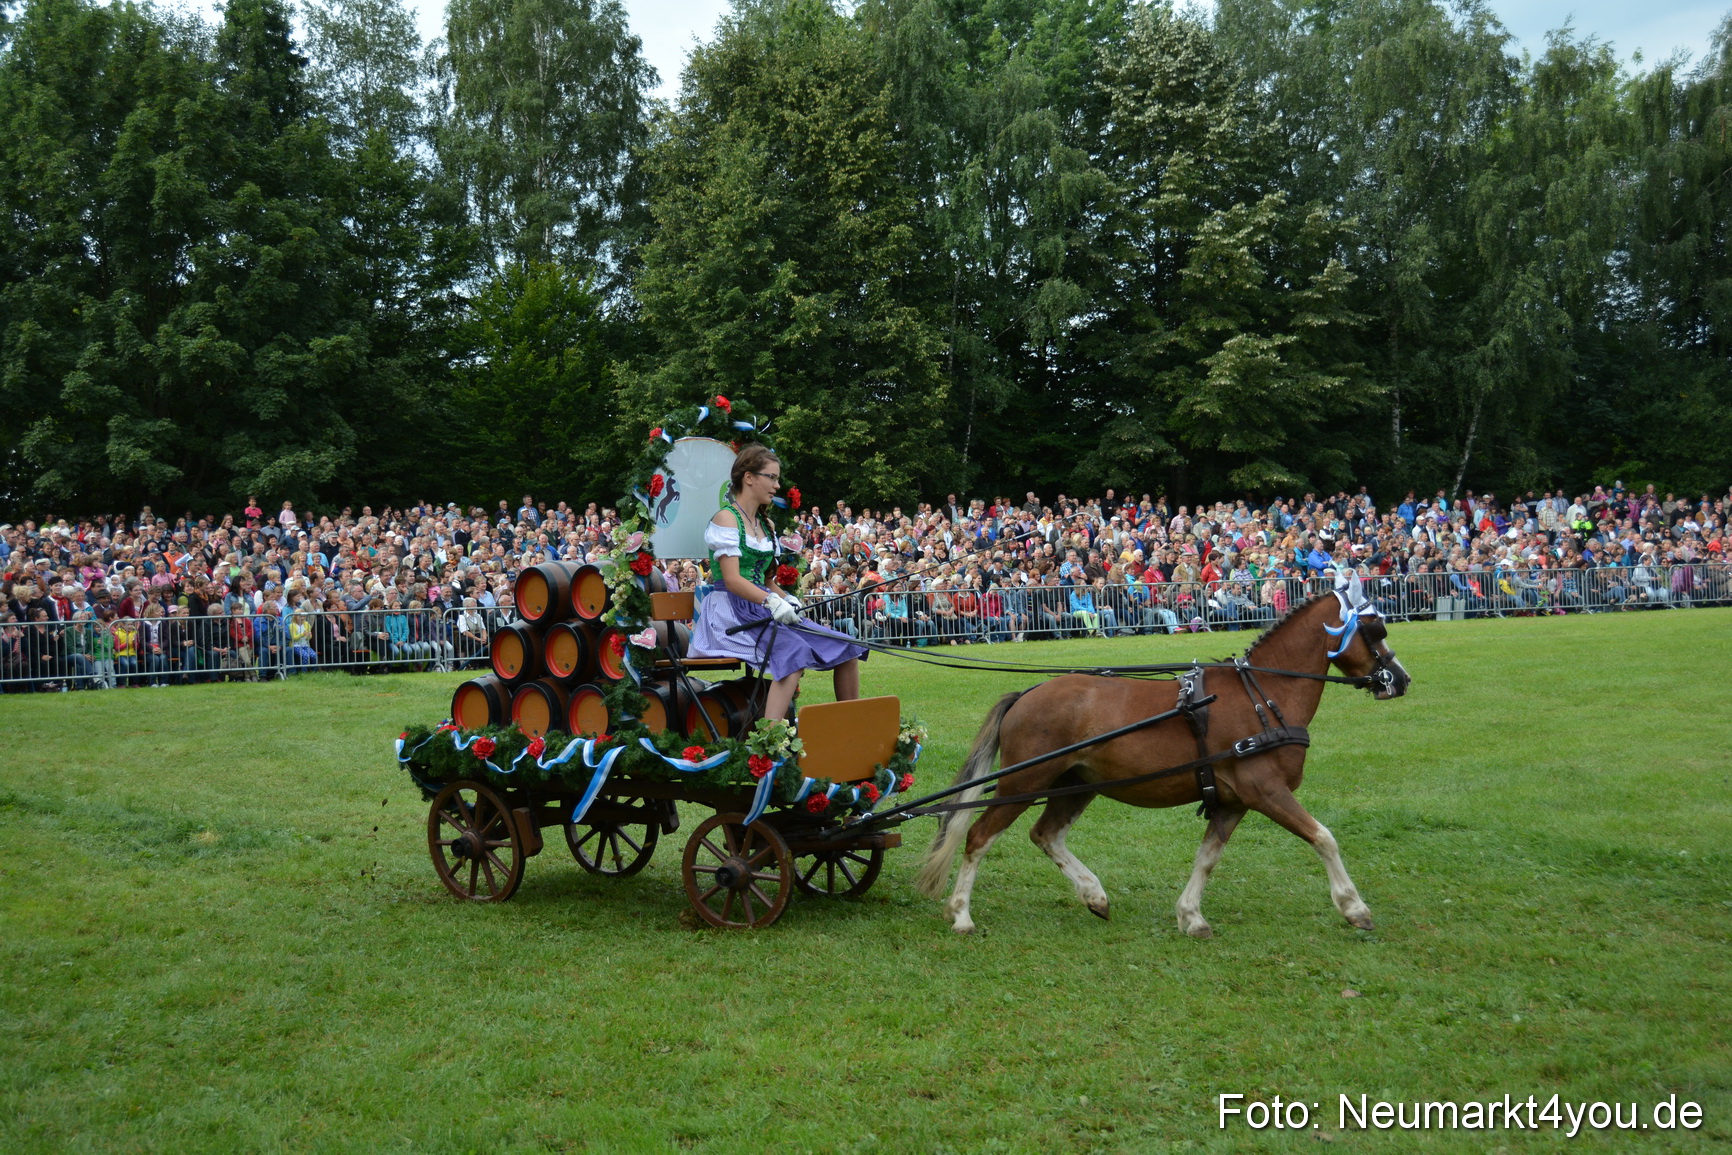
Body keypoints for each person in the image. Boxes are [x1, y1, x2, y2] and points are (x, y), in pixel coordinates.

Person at [686, 444, 865, 722]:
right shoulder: (726, 519)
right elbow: (732, 580)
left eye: (777, 478)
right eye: (771, 477)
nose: (777, 485)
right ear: (749, 477)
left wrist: (786, 598)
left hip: (761, 605)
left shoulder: (766, 524)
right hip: (730, 612)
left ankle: (852, 726)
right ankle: (771, 739)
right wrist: (771, 601)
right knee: (793, 653)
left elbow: (767, 580)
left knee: (846, 646)